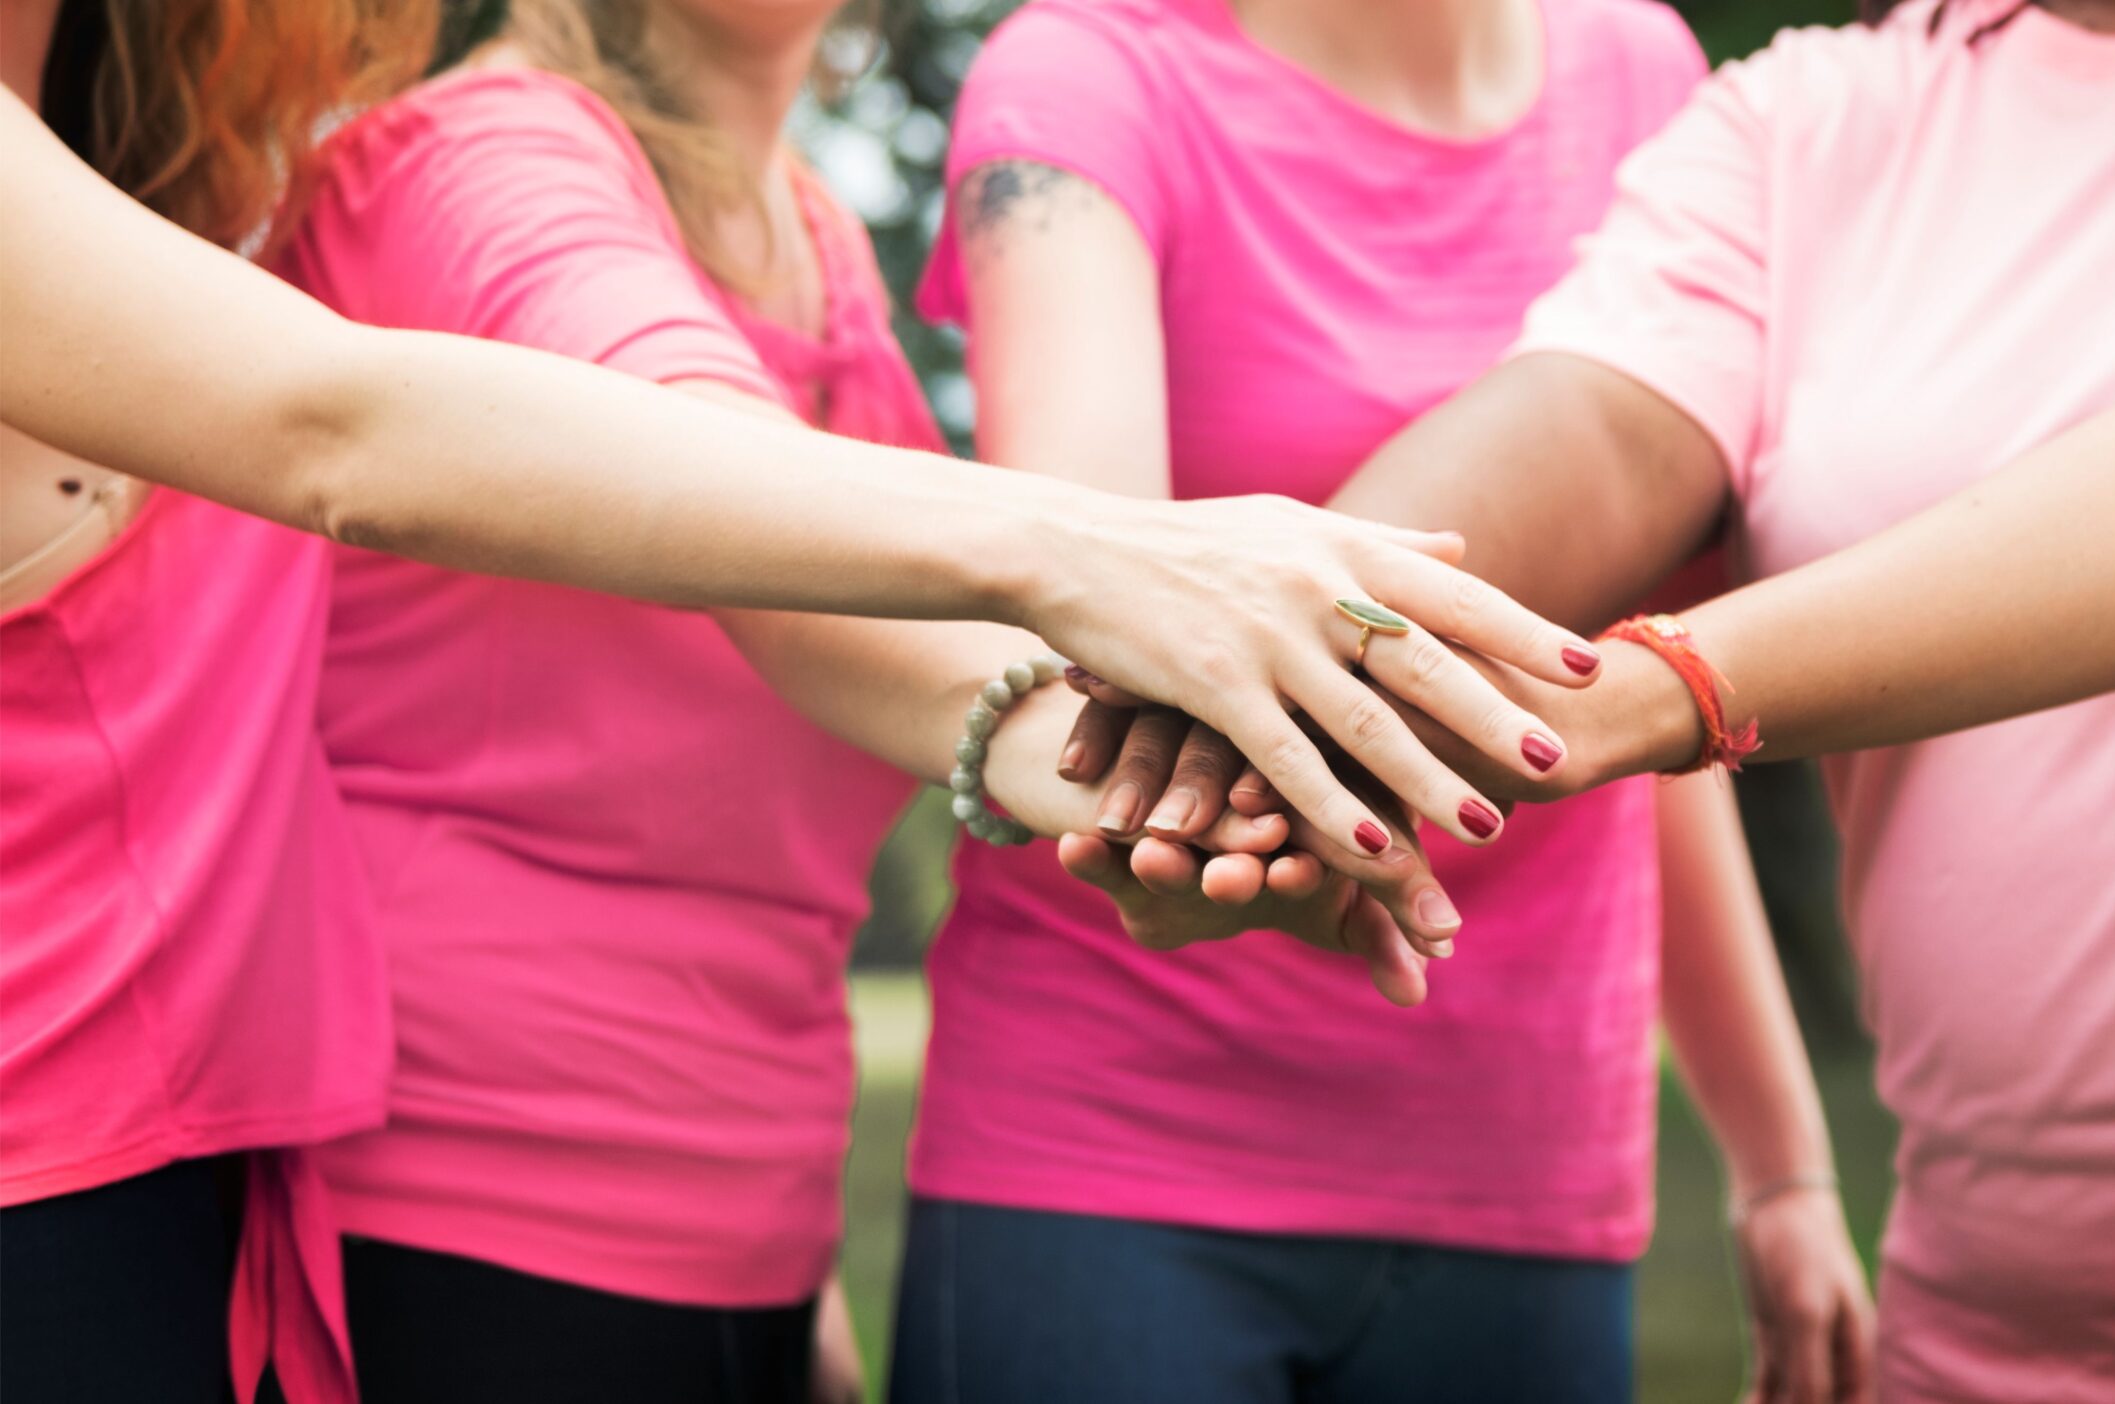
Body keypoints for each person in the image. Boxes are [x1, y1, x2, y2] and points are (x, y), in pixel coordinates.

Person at [0, 3, 1586, 1400]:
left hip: (681, 1219)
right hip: (447, 1216)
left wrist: (1158, 780)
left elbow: (843, 669)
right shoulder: (481, 163)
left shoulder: (814, 233)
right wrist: (1106, 585)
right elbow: (457, 455)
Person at [1078, 0, 2115, 1396]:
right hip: (1987, 1338)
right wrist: (1267, 704)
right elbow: (1591, 427)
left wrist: (1663, 689)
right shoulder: (1811, 120)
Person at [892, 3, 1871, 1402]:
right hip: (1112, 1152)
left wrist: (1780, 1164)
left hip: (1525, 1160)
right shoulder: (1087, 74)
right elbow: (1095, 593)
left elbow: (1613, 699)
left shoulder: (1645, 72)